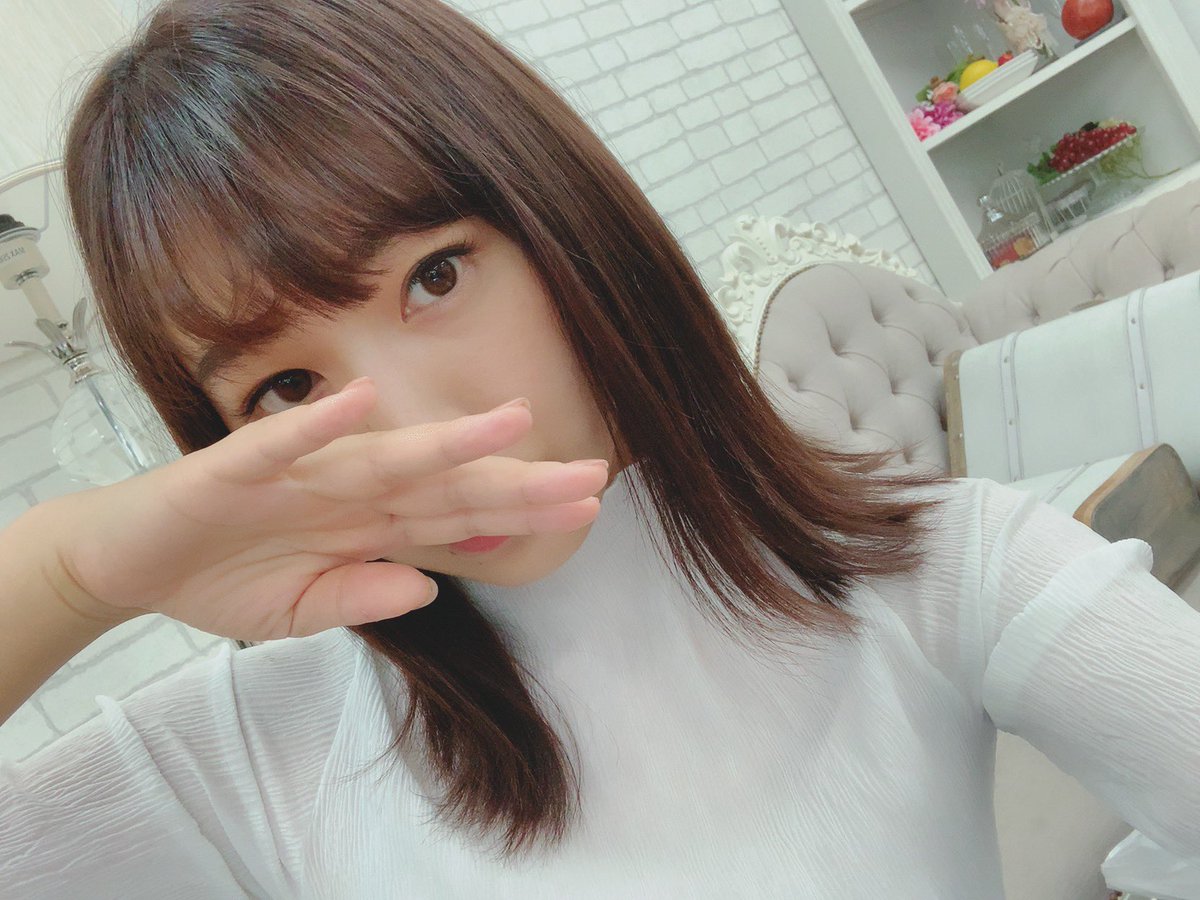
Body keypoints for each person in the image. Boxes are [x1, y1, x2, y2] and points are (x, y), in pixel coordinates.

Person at [1, 0, 1197, 896]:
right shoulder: (261, 748)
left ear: (561, 221)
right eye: (285, 387)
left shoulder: (946, 573)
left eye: (435, 277)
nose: (410, 432)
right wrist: (71, 571)